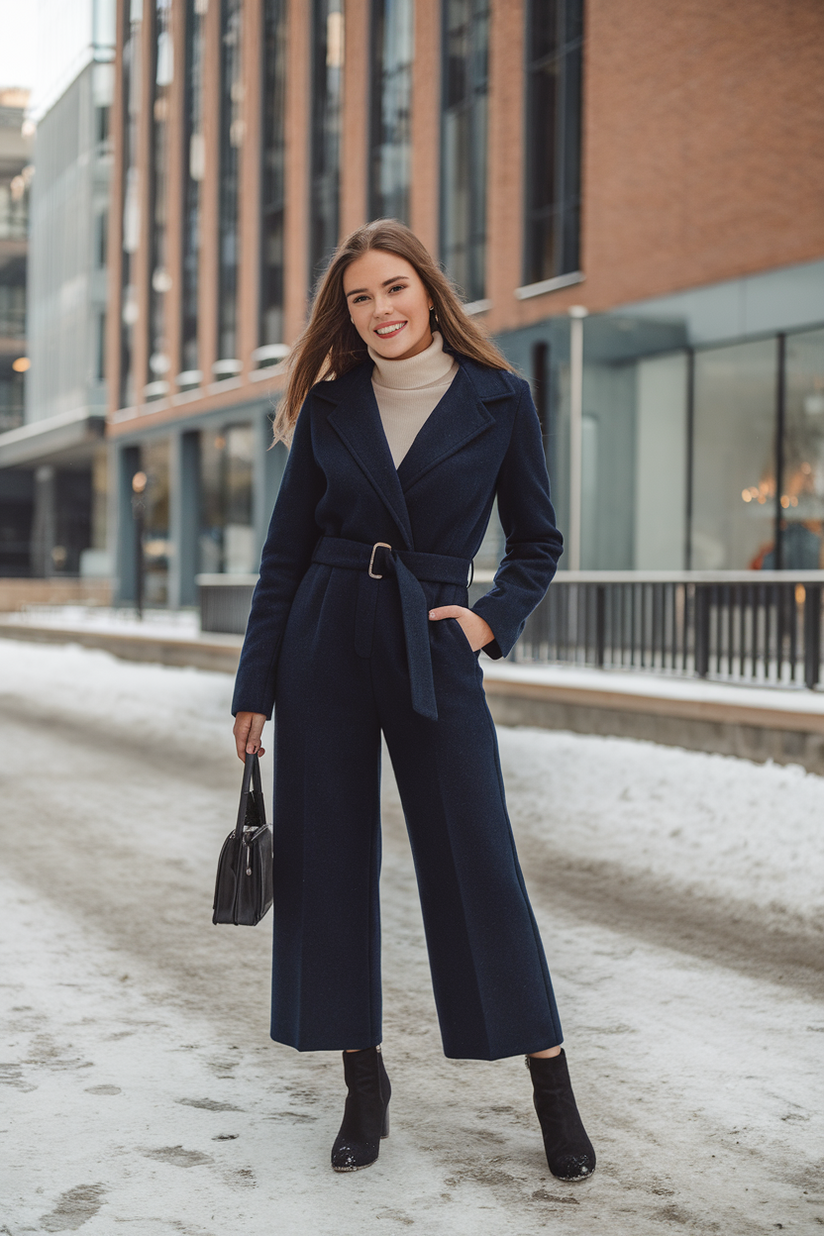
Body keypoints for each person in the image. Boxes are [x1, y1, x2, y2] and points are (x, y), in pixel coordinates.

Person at [231, 219, 596, 1181]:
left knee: (478, 856)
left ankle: (551, 1087)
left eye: (393, 288)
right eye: (359, 297)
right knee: (329, 862)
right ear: (345, 314)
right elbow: (283, 557)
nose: (379, 309)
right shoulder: (330, 405)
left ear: (428, 293)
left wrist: (482, 624)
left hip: (432, 645)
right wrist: (255, 683)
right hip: (324, 640)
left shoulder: (500, 401)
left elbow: (537, 543)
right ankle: (363, 1084)